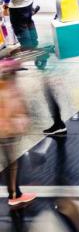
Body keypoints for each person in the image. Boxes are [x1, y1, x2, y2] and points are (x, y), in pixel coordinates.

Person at [0, 64, 35, 207]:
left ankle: (16, 192)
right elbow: (8, 113)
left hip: (7, 131)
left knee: (11, 163)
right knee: (12, 164)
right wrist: (15, 125)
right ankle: (14, 195)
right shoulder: (6, 90)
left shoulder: (8, 87)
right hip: (6, 132)